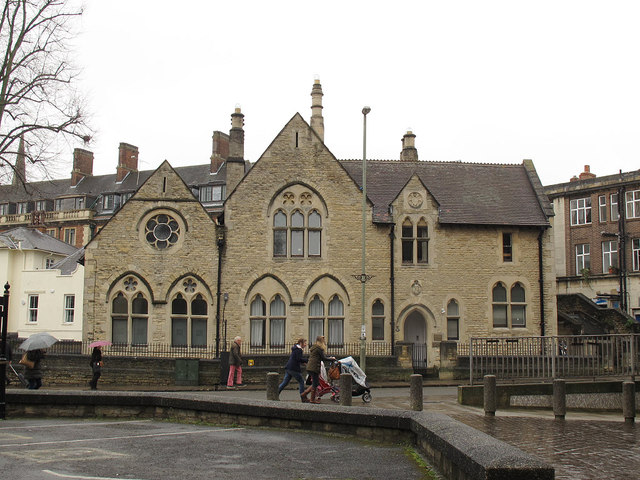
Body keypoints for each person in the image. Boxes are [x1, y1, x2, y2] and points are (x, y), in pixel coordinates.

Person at [301, 336, 335, 403]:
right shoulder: (319, 349)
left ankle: (304, 395)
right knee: (315, 383)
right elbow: (323, 358)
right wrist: (331, 359)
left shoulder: (314, 347)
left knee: (315, 383)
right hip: (314, 367)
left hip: (310, 367)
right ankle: (311, 399)